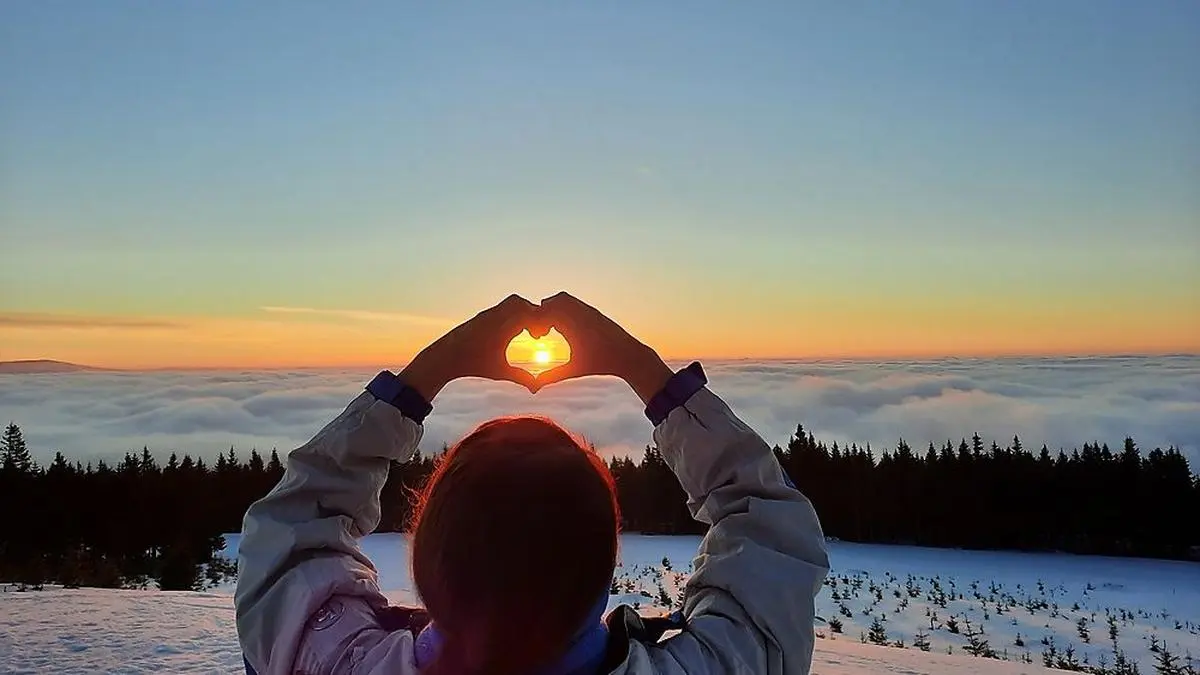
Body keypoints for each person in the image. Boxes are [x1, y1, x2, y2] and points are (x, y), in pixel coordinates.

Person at [235, 292, 830, 675]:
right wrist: (641, 369)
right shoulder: (722, 667)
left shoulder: (327, 661)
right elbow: (764, 520)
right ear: (604, 565)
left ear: (428, 567)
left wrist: (429, 373)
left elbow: (294, 526)